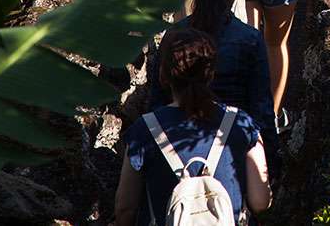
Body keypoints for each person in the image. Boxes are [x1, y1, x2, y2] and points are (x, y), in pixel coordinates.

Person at [115, 28, 272, 226]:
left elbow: (124, 208)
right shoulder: (241, 124)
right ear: (211, 74)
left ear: (164, 75)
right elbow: (260, 202)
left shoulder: (144, 130)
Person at [149, 0, 279, 173]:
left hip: (175, 142)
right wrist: (272, 159)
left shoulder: (174, 35)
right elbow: (261, 106)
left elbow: (157, 96)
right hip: (231, 144)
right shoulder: (250, 39)